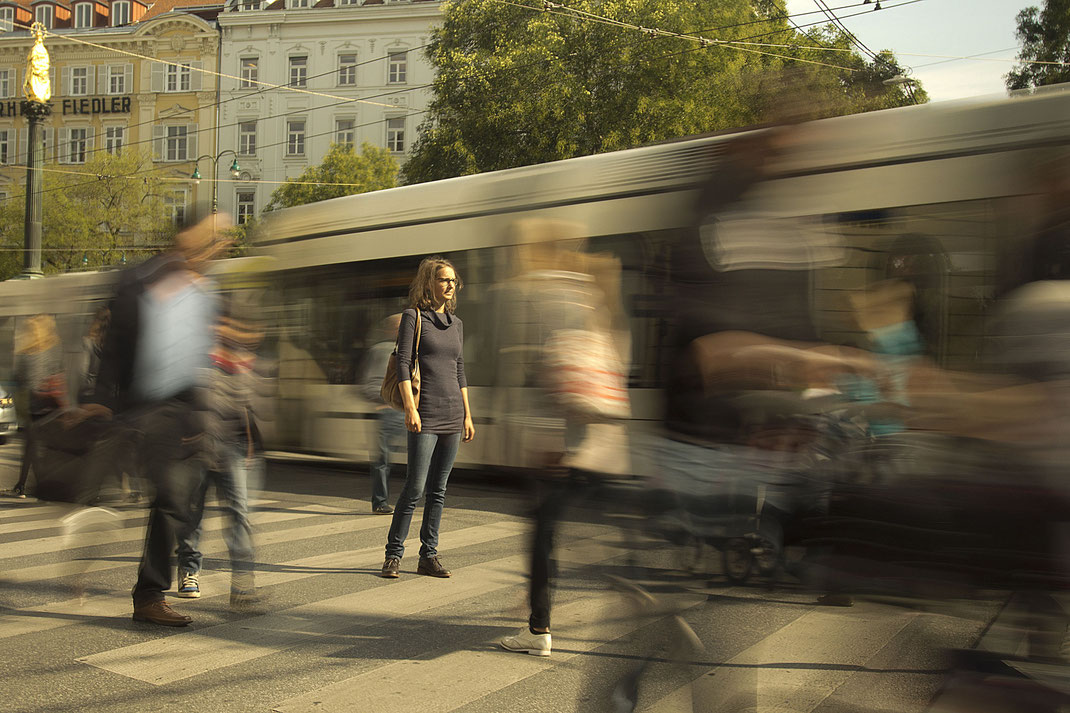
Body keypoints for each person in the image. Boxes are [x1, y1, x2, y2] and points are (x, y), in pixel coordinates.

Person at [80, 213, 229, 627]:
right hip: (143, 404)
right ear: (189, 235)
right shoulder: (141, 279)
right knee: (166, 494)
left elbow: (204, 352)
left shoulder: (209, 289)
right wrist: (97, 398)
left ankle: (147, 592)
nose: (222, 244)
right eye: (216, 235)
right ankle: (145, 592)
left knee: (173, 499)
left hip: (183, 408)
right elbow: (114, 344)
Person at [494, 225, 633, 659]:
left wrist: (534, 435)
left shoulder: (531, 293)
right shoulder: (589, 292)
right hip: (597, 437)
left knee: (543, 533)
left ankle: (539, 627)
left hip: (555, 439)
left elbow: (527, 367)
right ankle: (544, 600)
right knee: (572, 526)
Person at [380, 256, 474, 579]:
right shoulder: (414, 317)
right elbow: (403, 363)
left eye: (453, 281)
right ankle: (393, 554)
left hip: (452, 413)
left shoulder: (456, 324)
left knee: (439, 490)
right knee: (415, 487)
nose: (451, 285)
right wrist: (409, 407)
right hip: (426, 412)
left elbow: (459, 369)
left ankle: (428, 555)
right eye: (445, 280)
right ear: (429, 283)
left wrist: (468, 415)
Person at [175, 291, 263, 606]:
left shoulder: (239, 358)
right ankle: (188, 571)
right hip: (197, 448)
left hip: (232, 450)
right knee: (193, 515)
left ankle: (242, 582)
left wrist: (250, 446)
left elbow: (245, 406)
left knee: (239, 514)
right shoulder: (194, 355)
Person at [4, 315, 68, 499]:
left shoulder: (25, 354)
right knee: (36, 448)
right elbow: (59, 372)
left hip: (33, 407)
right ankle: (31, 484)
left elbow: (19, 379)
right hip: (51, 407)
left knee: (31, 447)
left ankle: (27, 484)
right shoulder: (55, 349)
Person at [359, 314, 405, 514]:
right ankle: (380, 502)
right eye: (400, 327)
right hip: (388, 413)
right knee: (382, 460)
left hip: (409, 412)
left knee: (422, 455)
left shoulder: (412, 351)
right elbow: (368, 384)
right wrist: (385, 401)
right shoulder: (379, 351)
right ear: (391, 330)